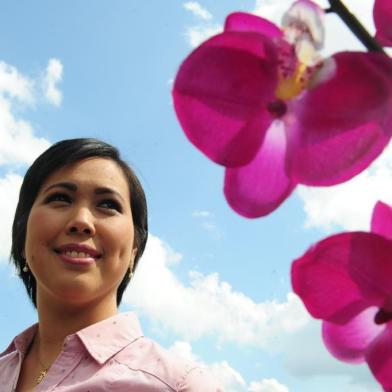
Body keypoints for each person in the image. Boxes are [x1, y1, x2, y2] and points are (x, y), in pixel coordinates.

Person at [0, 138, 222, 391]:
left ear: (134, 253)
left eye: (108, 205)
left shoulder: (179, 385)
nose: (81, 221)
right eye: (60, 198)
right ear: (21, 238)